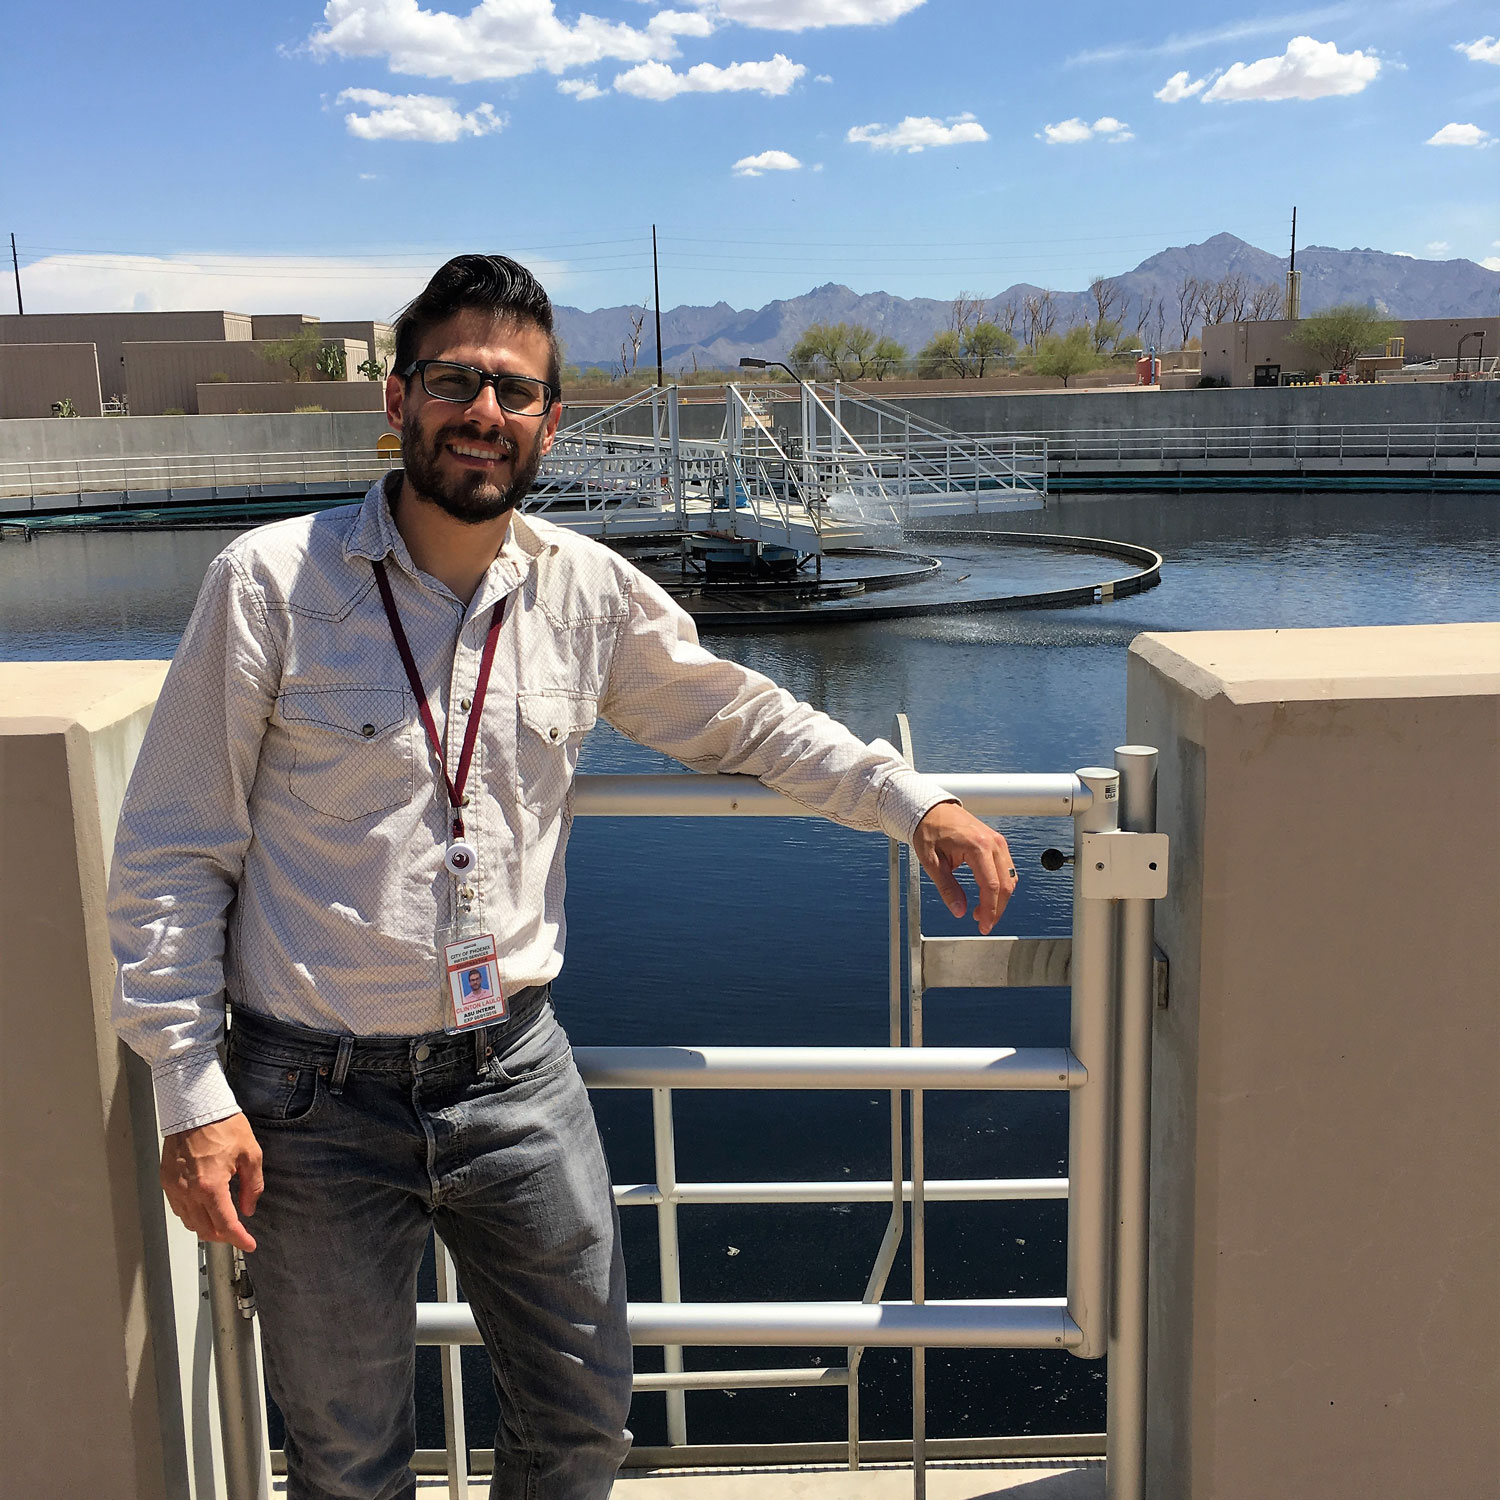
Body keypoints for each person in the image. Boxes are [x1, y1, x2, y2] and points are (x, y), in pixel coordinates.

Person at [109, 254, 1017, 1500]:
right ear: (398, 399)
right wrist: (188, 1087)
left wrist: (915, 799)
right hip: (310, 1096)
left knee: (583, 1425)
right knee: (346, 1458)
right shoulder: (271, 585)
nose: (485, 412)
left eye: (516, 392)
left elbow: (738, 718)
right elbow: (172, 847)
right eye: (455, 380)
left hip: (513, 1070)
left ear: (547, 419)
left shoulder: (584, 593)